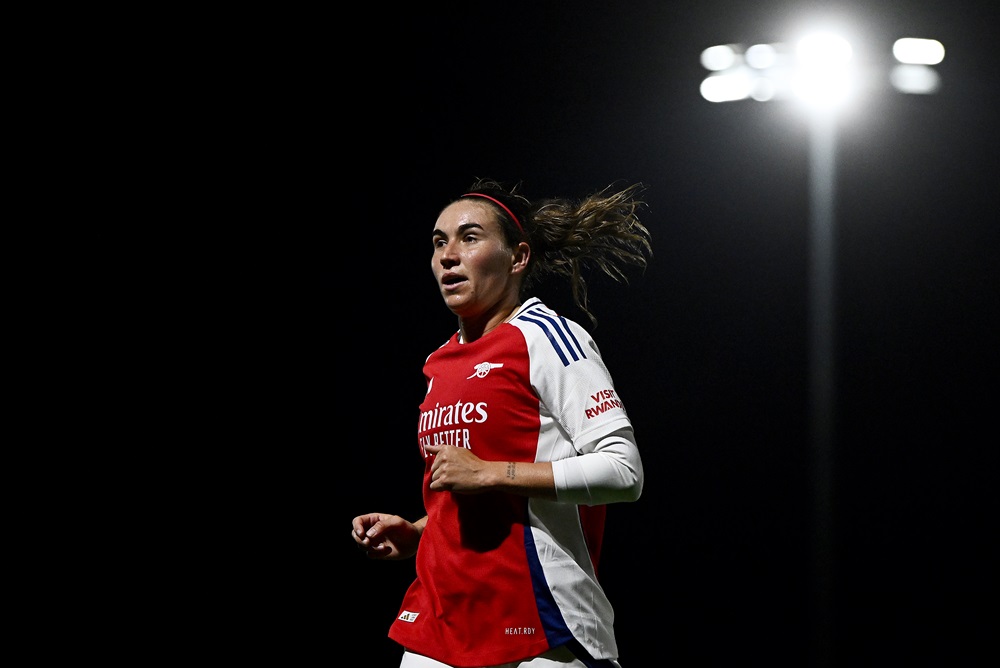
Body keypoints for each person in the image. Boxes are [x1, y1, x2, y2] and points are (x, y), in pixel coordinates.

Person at [351, 177, 652, 668]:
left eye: (469, 238)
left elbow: (624, 474)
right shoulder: (438, 363)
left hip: (539, 620)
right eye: (439, 242)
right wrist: (419, 528)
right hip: (440, 620)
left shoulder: (547, 337)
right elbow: (468, 490)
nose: (448, 254)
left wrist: (492, 471)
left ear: (517, 258)